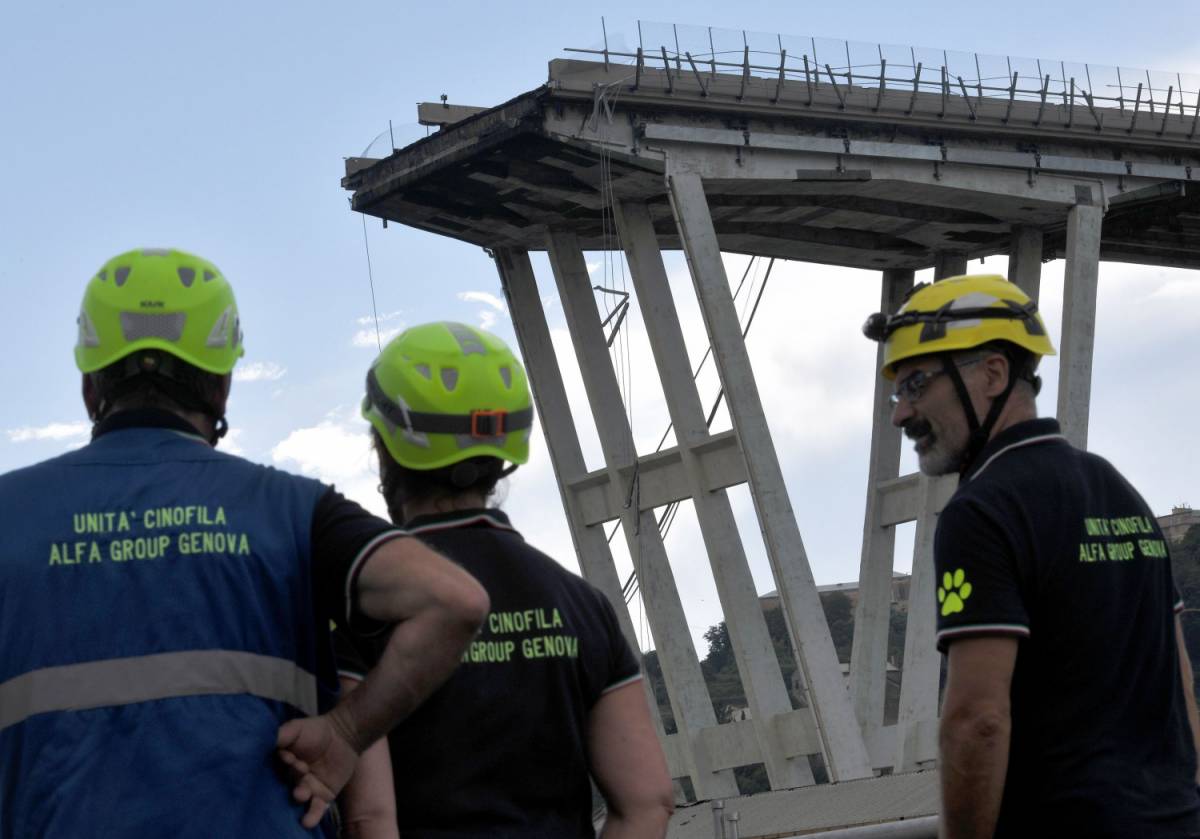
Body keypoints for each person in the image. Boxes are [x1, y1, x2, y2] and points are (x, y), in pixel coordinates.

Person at [0, 248, 490, 838]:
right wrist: (345, 735)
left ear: (88, 385)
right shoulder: (291, 509)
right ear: (223, 385)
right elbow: (454, 601)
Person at [863, 274, 1200, 838]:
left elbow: (978, 720)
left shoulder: (983, 513)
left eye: (917, 385)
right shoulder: (1117, 490)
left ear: (993, 373)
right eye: (898, 393)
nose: (900, 415)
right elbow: (1182, 689)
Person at [335, 321, 674, 839]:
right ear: (505, 451)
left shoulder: (367, 608)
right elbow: (648, 803)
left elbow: (369, 819)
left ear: (385, 447)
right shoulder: (583, 604)